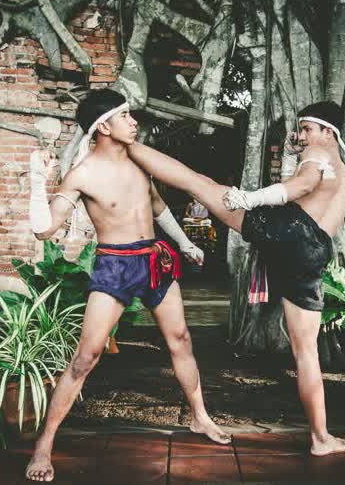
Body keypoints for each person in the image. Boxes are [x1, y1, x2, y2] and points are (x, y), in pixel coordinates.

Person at [126, 100, 345, 457]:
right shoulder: (342, 167)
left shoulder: (318, 152)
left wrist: (249, 199)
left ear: (327, 131)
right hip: (314, 251)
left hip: (289, 230)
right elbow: (310, 185)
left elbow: (301, 186)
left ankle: (126, 145)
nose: (301, 135)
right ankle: (320, 438)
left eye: (307, 129)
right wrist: (293, 153)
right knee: (307, 353)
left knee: (199, 183)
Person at [25, 89, 230, 482]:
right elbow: (44, 229)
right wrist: (38, 179)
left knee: (181, 339)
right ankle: (44, 444)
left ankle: (200, 417)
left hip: (154, 259)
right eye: (125, 116)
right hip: (115, 265)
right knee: (86, 358)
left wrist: (184, 244)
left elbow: (157, 207)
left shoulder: (140, 160)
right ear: (104, 126)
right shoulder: (83, 173)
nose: (133, 122)